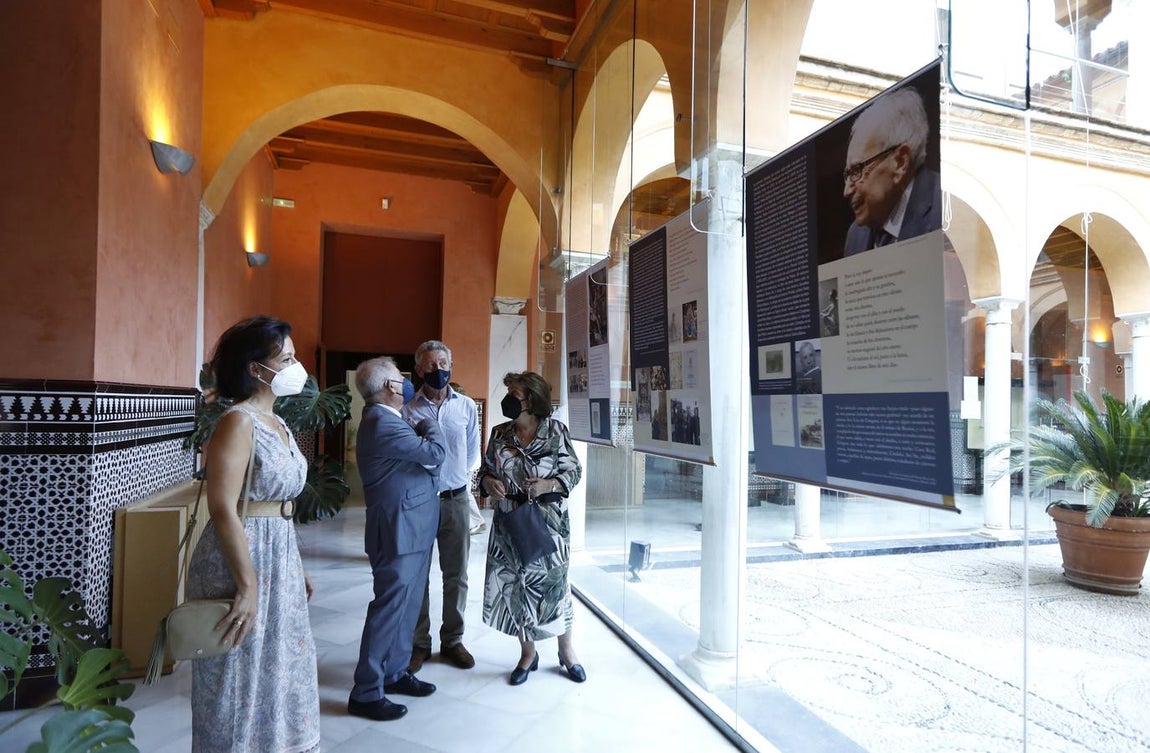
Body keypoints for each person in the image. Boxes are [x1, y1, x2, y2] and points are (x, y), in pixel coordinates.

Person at [186, 315, 320, 753]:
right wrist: (247, 584)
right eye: (286, 358)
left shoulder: (277, 422)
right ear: (255, 369)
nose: (296, 366)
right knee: (238, 677)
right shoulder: (238, 421)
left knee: (279, 670)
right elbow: (223, 506)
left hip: (277, 555)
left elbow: (280, 507)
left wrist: (295, 565)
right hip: (242, 557)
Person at [348, 356, 445, 722]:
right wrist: (429, 425)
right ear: (390, 386)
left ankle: (395, 671)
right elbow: (436, 454)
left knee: (407, 606)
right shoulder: (383, 424)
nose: (406, 383)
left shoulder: (389, 420)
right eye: (401, 378)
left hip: (413, 528)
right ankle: (367, 690)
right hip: (399, 531)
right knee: (389, 608)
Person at [478, 371, 584, 686]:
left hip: (548, 522)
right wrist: (489, 482)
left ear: (531, 399)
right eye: (508, 391)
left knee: (553, 586)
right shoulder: (500, 433)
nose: (508, 397)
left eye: (515, 393)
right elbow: (484, 471)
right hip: (510, 520)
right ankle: (528, 653)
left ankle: (566, 651)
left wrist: (549, 483)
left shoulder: (555, 432)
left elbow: (574, 471)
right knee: (516, 585)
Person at [403, 341, 481, 673]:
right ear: (419, 370)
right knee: (418, 575)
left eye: (444, 363)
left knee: (457, 574)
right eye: (431, 365)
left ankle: (453, 640)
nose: (439, 370)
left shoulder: (466, 407)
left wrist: (453, 478)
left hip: (455, 499)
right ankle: (419, 643)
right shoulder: (407, 410)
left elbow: (472, 452)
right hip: (420, 502)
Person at [842, 86, 941, 256]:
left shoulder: (942, 212)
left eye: (857, 170)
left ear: (900, 162)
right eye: (847, 175)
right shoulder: (856, 234)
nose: (846, 191)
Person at [449, 381, 487, 536]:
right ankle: (474, 522)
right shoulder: (463, 411)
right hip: (466, 462)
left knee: (464, 492)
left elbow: (467, 443)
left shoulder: (465, 411)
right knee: (465, 492)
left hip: (466, 463)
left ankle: (476, 522)